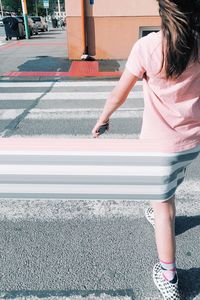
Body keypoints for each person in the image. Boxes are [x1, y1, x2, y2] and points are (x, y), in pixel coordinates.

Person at [92, 0, 200, 299]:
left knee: (163, 208)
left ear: (162, 12)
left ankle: (169, 277)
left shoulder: (148, 47)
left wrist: (103, 119)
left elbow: (119, 93)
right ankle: (162, 204)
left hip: (158, 146)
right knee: (170, 182)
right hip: (192, 143)